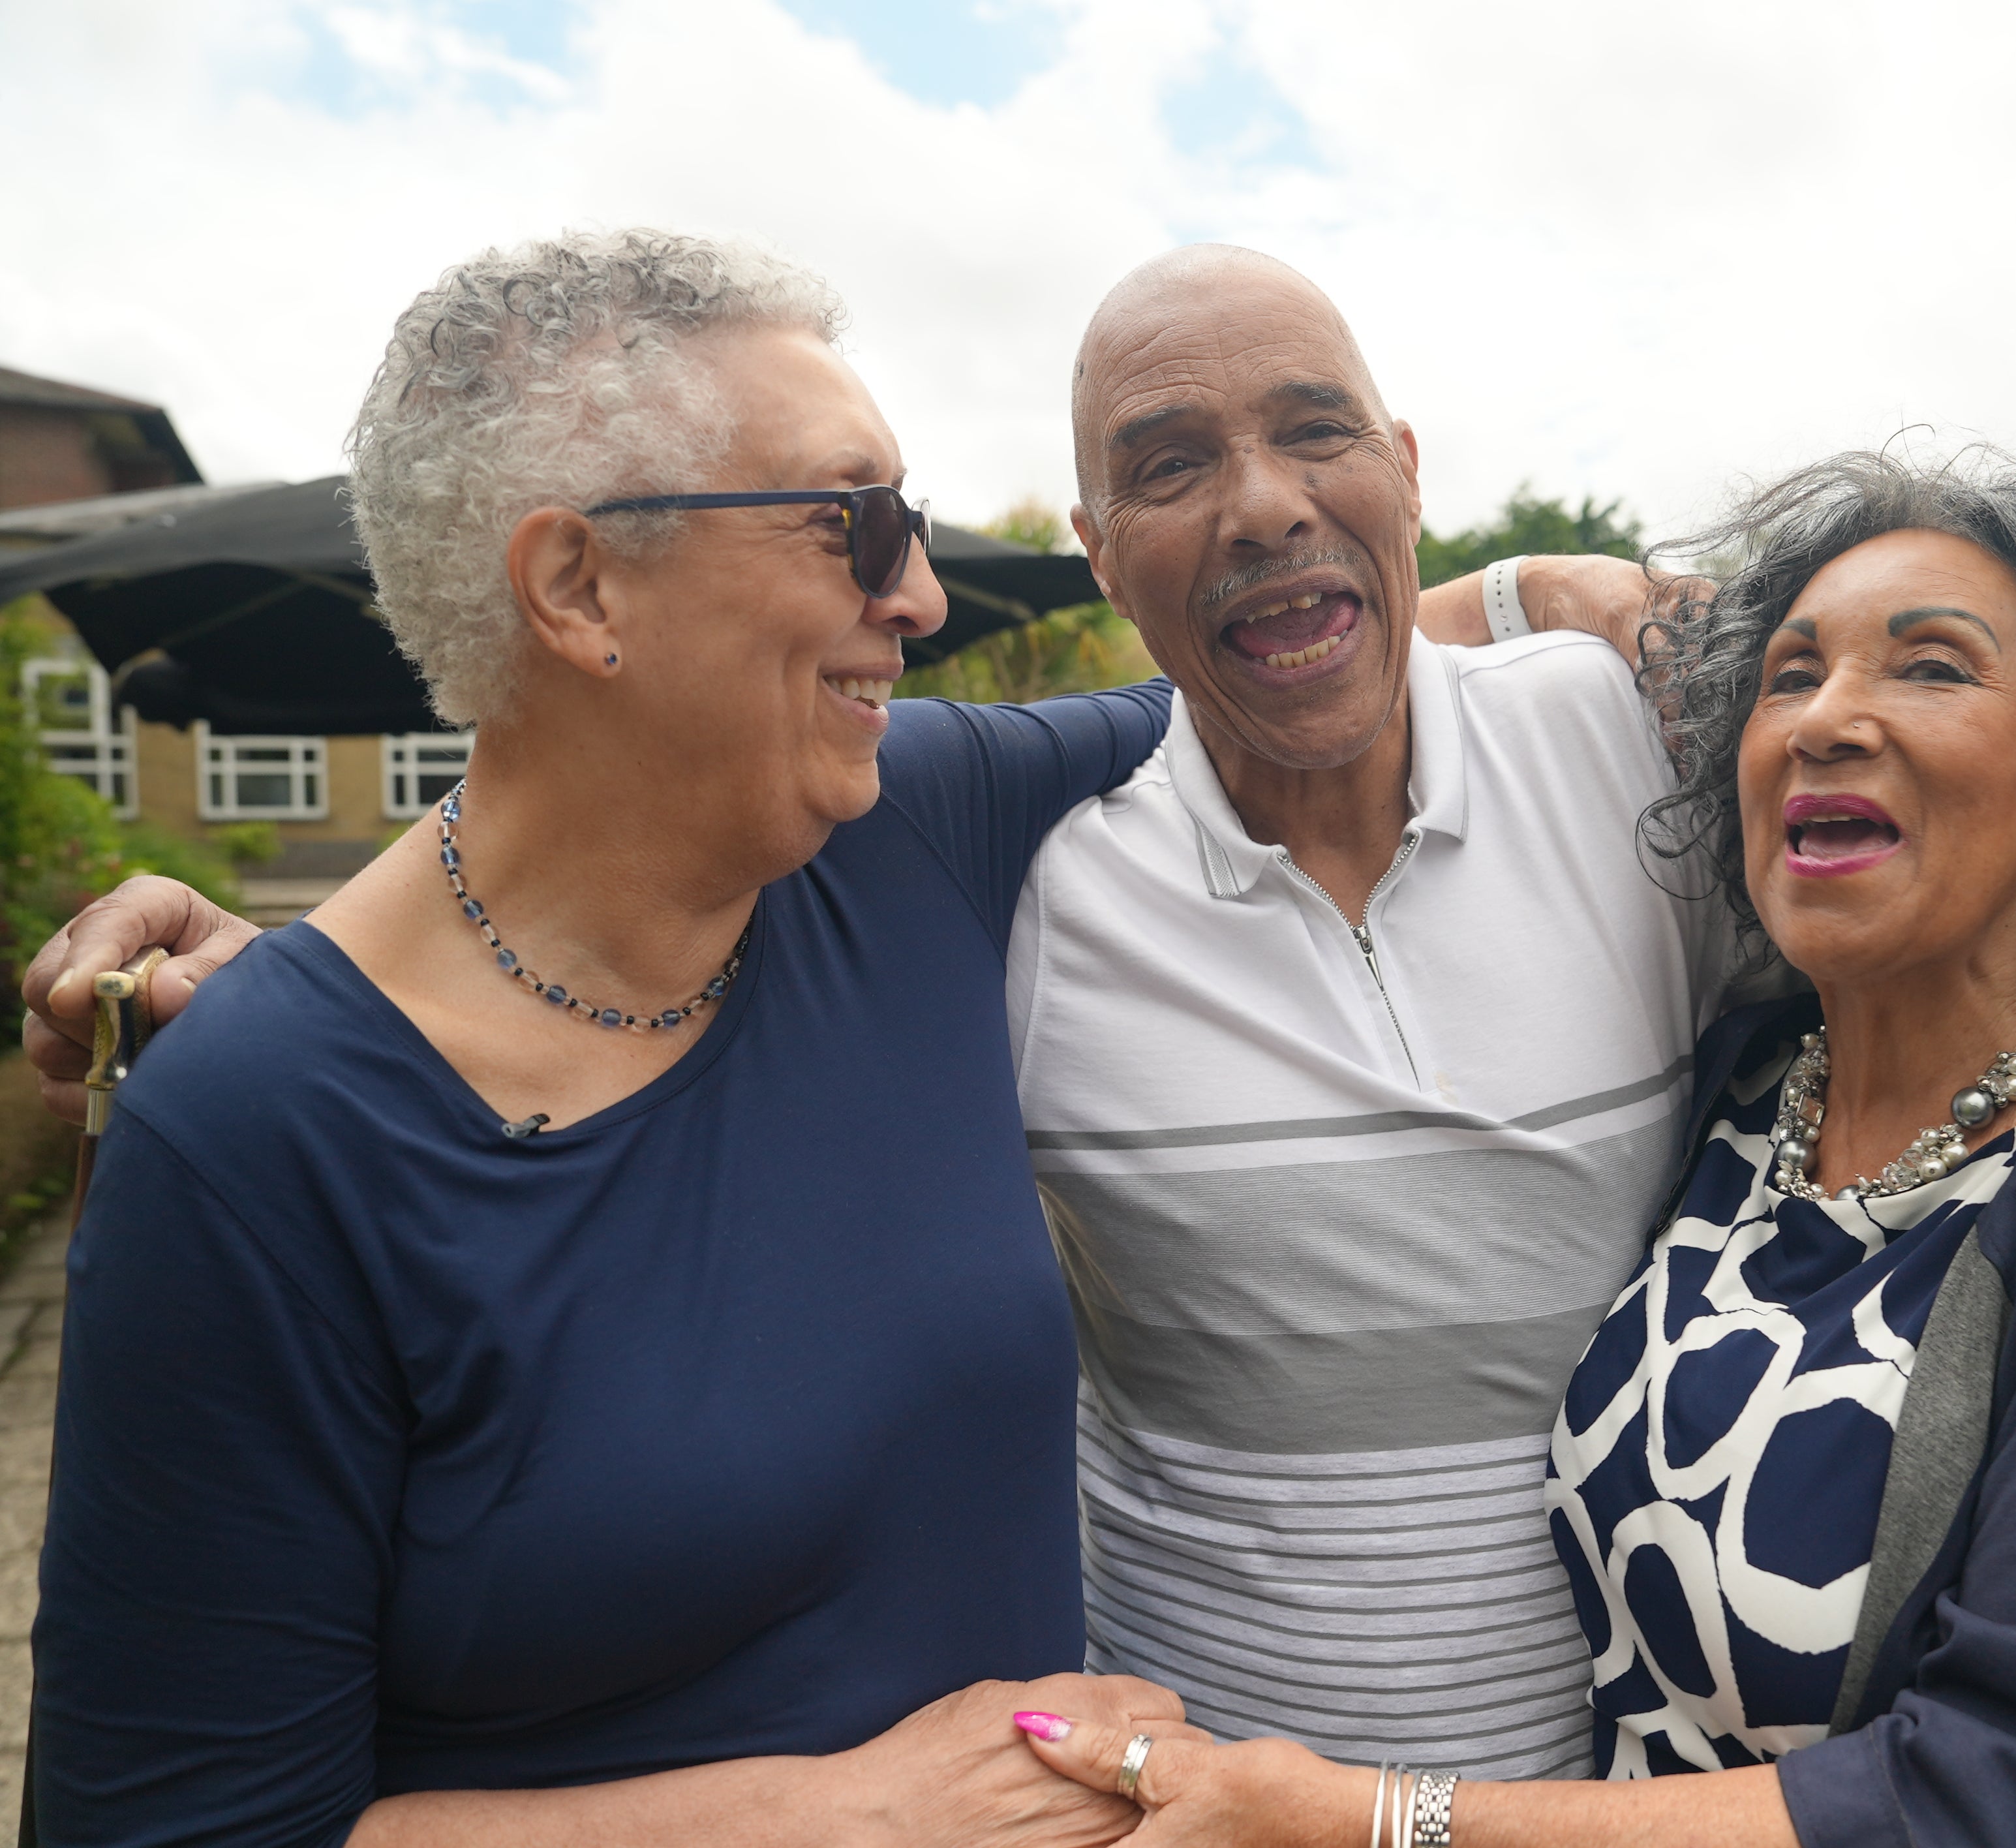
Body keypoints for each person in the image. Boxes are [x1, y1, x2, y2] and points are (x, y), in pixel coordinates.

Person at [29, 247, 2016, 1791]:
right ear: (1103, 550)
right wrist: (288, 1017)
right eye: (862, 534)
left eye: (1318, 439)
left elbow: (1980, 823)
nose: (914, 605)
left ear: (1405, 468)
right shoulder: (961, 846)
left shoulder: (1608, 761)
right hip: (1207, 1798)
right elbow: (559, 872)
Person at [1010, 452, 2016, 1847]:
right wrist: (1542, 589)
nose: (1827, 719)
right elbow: (1293, 676)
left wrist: (1372, 1821)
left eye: (1929, 667)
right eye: (1788, 676)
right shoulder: (1739, 1096)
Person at [27, 230, 1200, 1845]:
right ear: (579, 587)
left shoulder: (906, 827)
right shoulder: (257, 1137)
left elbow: (1268, 673)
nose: (916, 593)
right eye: (852, 521)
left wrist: (1544, 594)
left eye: (909, 525)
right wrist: (843, 1822)